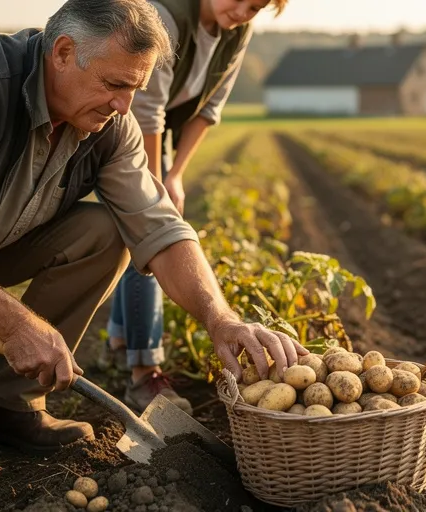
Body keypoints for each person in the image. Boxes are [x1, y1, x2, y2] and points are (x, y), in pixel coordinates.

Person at [0, 0, 304, 474]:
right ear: (62, 52)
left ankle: (3, 402)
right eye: (115, 83)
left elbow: (160, 226)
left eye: (137, 88)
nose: (125, 105)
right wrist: (17, 324)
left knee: (105, 232)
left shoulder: (111, 120)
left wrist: (220, 319)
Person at [98, 0, 287, 416]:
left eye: (254, 7)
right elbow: (145, 110)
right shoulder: (165, 17)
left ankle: (116, 339)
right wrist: (153, 187)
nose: (240, 11)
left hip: (159, 126)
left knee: (155, 218)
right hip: (115, 119)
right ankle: (144, 371)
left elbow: (210, 108)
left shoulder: (236, 31)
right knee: (148, 232)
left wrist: (176, 174)